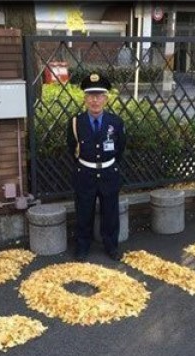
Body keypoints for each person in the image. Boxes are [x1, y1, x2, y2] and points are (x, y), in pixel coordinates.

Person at [67, 72, 126, 261]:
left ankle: (111, 246)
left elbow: (120, 148)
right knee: (84, 212)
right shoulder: (76, 122)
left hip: (109, 172)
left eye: (99, 96)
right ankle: (82, 247)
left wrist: (107, 164)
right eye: (91, 96)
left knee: (110, 212)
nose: (95, 101)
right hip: (85, 173)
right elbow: (71, 147)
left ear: (105, 99)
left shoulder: (115, 122)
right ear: (85, 99)